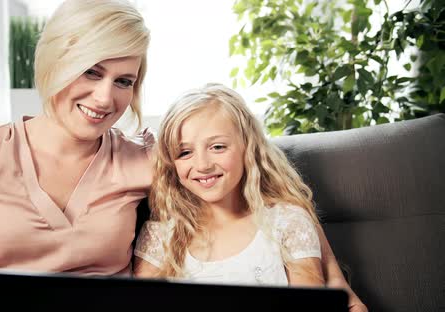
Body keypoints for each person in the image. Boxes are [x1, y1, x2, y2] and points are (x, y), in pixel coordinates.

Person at [0, 0, 365, 311]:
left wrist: (334, 281)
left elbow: (249, 182)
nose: (104, 98)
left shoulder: (148, 162)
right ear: (55, 61)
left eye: (123, 81)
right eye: (90, 71)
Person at [133, 83, 367, 310]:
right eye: (184, 152)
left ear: (249, 148)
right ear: (171, 164)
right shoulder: (160, 237)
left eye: (217, 147)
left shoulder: (287, 223)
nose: (202, 165)